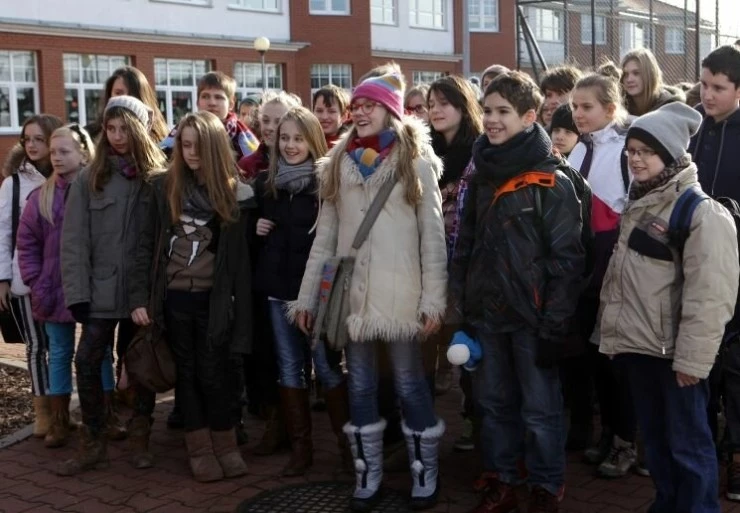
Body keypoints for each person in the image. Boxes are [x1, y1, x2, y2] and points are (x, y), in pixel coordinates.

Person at [290, 72, 448, 511]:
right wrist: (307, 297)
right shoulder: (338, 164)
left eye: (369, 105)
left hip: (402, 296)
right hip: (353, 299)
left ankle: (425, 472)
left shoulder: (415, 162)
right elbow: (325, 238)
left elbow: (432, 237)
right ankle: (367, 472)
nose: (359, 112)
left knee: (409, 383)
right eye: (355, 106)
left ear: (389, 111)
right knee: (358, 385)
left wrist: (433, 300)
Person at [448, 71, 584, 513]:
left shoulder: (552, 179)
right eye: (487, 110)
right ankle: (503, 478)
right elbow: (465, 246)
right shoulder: (482, 173)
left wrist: (554, 326)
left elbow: (567, 261)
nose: (491, 119)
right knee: (492, 404)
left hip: (533, 320)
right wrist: (463, 310)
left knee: (541, 410)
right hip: (487, 316)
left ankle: (546, 485)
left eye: (503, 111)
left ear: (529, 117)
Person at [600, 102, 739, 513]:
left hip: (676, 357)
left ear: (672, 155)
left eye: (647, 151)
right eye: (631, 150)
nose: (636, 159)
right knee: (658, 443)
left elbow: (710, 297)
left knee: (689, 447)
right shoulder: (640, 203)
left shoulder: (700, 212)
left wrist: (692, 362)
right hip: (641, 349)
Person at [129, 111, 252, 482]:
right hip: (174, 300)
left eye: (199, 146)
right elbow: (144, 245)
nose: (191, 153)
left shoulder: (233, 193)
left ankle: (225, 444)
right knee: (187, 373)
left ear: (214, 148)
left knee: (215, 372)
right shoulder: (162, 187)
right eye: (185, 145)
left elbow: (240, 264)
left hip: (214, 302)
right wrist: (139, 299)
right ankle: (199, 449)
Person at [58, 96, 166, 476]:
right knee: (86, 361)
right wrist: (77, 295)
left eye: (125, 129)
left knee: (140, 365)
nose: (118, 136)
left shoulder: (156, 178)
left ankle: (140, 437)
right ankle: (93, 441)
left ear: (140, 130)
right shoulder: (89, 178)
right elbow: (73, 242)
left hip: (141, 295)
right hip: (100, 293)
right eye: (111, 128)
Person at [253, 106, 350, 476]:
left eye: (298, 138)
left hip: (316, 293)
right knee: (289, 367)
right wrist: (256, 228)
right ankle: (301, 450)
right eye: (284, 138)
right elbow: (258, 237)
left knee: (326, 366)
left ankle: (346, 448)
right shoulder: (268, 184)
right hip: (278, 288)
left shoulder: (328, 185)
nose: (290, 145)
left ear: (313, 141)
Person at [16, 125, 120, 449]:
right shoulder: (40, 197)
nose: (57, 157)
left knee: (101, 351)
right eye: (53, 152)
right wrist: (35, 280)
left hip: (94, 287)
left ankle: (105, 415)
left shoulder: (99, 191)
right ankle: (59, 420)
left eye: (64, 151)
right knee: (59, 352)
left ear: (84, 154)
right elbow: (26, 243)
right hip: (53, 289)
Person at [569, 73, 637, 477]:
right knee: (593, 357)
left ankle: (625, 440)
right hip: (584, 268)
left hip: (614, 266)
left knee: (616, 359)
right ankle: (607, 433)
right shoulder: (579, 149)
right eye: (574, 106)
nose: (578, 114)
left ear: (610, 109)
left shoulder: (627, 150)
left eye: (586, 107)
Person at [689, 44, 740, 501]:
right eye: (704, 84)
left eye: (718, 87)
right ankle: (702, 450)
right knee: (702, 363)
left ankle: (737, 454)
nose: (707, 94)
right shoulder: (697, 130)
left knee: (737, 367)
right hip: (697, 265)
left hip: (737, 267)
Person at [425, 75, 482, 452]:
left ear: (463, 107)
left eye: (444, 103)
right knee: (429, 343)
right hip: (430, 260)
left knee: (468, 345)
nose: (436, 110)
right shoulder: (423, 151)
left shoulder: (479, 152)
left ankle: (474, 420)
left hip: (467, 260)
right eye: (431, 104)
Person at [0, 114, 63, 438]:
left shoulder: (68, 177)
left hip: (62, 281)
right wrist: (2, 278)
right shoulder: (12, 184)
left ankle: (62, 413)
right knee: (37, 346)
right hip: (24, 279)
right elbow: (2, 234)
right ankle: (44, 416)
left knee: (61, 346)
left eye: (40, 139)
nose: (32, 145)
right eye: (27, 139)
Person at [161, 71, 259, 161]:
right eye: (205, 96)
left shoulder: (241, 136)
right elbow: (162, 156)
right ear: (197, 102)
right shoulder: (183, 129)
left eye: (218, 97)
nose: (212, 103)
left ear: (231, 104)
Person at [85, 66, 169, 143]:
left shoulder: (164, 140)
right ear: (109, 95)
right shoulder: (89, 136)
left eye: (132, 95)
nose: (125, 99)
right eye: (118, 93)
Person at [238, 91, 301, 179]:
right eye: (265, 121)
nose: (270, 127)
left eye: (278, 121)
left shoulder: (304, 162)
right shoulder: (247, 165)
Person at [621, 48, 685, 116]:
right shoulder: (618, 107)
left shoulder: (670, 106)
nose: (629, 79)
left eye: (636, 73)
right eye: (625, 74)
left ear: (650, 74)